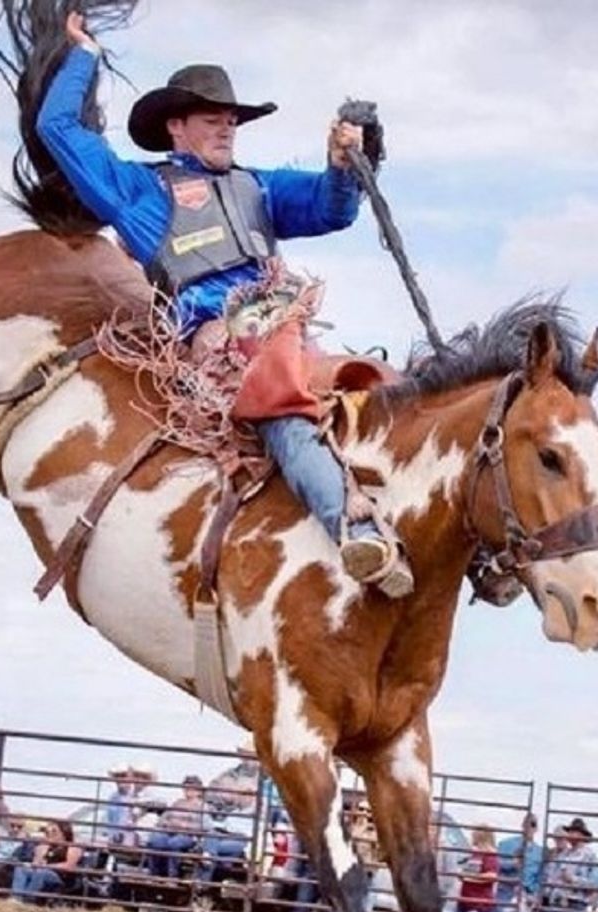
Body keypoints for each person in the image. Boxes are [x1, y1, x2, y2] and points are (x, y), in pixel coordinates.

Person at [34, 11, 413, 599]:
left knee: (391, 391)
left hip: (288, 329)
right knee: (280, 405)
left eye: (232, 120)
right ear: (176, 127)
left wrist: (345, 166)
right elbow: (58, 128)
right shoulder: (140, 190)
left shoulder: (256, 186)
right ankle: (355, 528)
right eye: (212, 119)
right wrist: (81, 55)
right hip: (218, 343)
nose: (226, 128)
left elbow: (330, 207)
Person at [494, 813, 544, 912]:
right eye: (528, 824)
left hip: (525, 895)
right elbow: (497, 864)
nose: (530, 828)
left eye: (533, 824)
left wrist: (535, 894)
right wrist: (513, 864)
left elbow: (540, 876)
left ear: (536, 828)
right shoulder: (506, 844)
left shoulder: (539, 852)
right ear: (522, 825)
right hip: (505, 890)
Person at [146, 775, 210, 880]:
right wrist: (168, 824)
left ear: (199, 791)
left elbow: (205, 826)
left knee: (174, 843)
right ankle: (154, 874)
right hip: (169, 832)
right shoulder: (178, 803)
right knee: (155, 841)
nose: (189, 791)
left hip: (188, 836)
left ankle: (172, 876)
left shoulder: (202, 807)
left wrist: (185, 826)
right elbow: (163, 819)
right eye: (186, 788)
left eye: (193, 788)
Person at [454, 825, 499, 912]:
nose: (471, 835)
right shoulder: (474, 854)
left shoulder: (490, 855)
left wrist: (470, 877)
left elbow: (492, 876)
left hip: (478, 901)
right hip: (466, 898)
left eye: (474, 833)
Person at [10, 820, 82, 904]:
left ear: (64, 833)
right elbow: (36, 863)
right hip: (41, 871)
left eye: (54, 831)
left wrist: (48, 866)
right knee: (21, 868)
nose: (51, 834)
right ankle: (16, 898)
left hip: (59, 877)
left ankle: (27, 900)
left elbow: (69, 866)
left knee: (42, 872)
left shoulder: (72, 847)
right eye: (48, 832)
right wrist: (40, 852)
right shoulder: (46, 846)